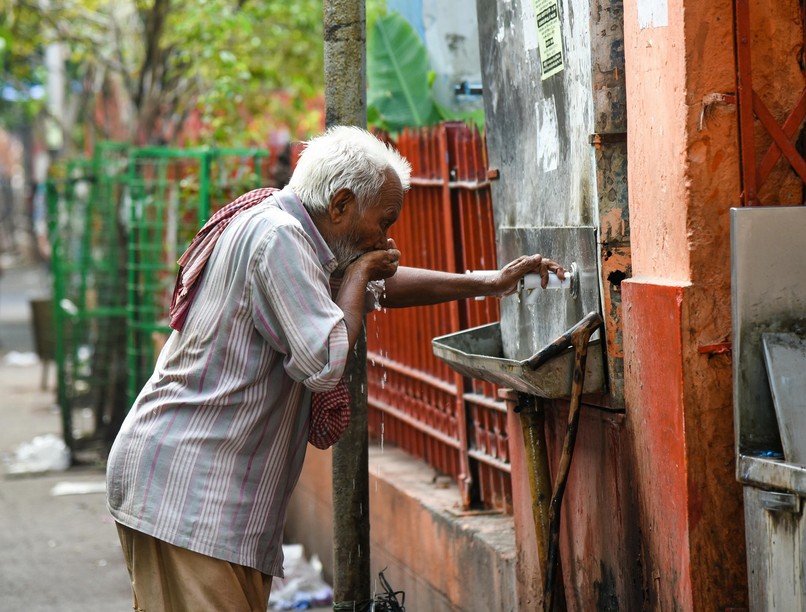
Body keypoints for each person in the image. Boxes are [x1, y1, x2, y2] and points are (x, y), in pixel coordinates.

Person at [106, 125, 564, 611]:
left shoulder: (291, 230)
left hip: (197, 495)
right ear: (342, 204)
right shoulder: (279, 238)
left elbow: (376, 286)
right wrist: (363, 271)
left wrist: (489, 283)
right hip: (188, 493)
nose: (385, 239)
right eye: (384, 221)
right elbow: (324, 361)